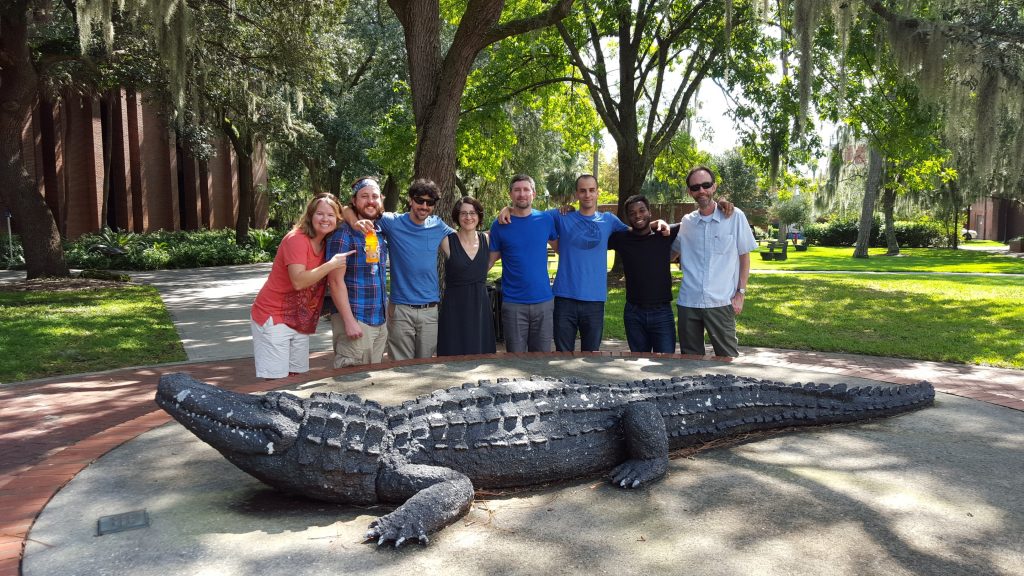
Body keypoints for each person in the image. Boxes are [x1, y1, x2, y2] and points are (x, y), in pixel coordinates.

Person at [345, 179, 454, 360]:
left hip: (430, 310)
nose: (424, 206)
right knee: (399, 367)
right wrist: (355, 223)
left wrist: (507, 214)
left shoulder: (438, 225)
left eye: (430, 202)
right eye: (419, 200)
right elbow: (347, 209)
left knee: (426, 367)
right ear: (410, 200)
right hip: (401, 309)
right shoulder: (392, 222)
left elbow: (467, 236)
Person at [250, 194, 353, 378]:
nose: (325, 219)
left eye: (330, 215)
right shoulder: (296, 239)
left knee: (295, 377)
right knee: (276, 381)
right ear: (310, 215)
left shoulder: (325, 243)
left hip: (299, 319)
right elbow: (298, 281)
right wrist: (331, 264)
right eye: (320, 214)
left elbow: (348, 210)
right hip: (274, 316)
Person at [672, 166, 757, 357]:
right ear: (689, 192)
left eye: (706, 185)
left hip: (721, 301)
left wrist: (740, 294)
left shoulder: (735, 217)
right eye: (695, 187)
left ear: (714, 187)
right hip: (689, 302)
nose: (701, 190)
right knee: (689, 362)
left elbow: (744, 257)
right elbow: (670, 253)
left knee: (727, 359)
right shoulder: (687, 222)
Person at [488, 174, 558, 353]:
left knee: (541, 360)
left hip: (543, 301)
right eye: (517, 190)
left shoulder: (546, 219)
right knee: (516, 361)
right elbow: (490, 260)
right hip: (513, 304)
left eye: (526, 189)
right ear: (510, 194)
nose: (522, 194)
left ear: (533, 194)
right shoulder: (500, 225)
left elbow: (562, 250)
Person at [325, 178, 389, 368]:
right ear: (354, 201)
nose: (370, 201)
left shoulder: (378, 230)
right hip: (356, 321)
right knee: (351, 384)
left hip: (378, 322)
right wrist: (349, 321)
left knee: (372, 384)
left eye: (375, 196)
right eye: (364, 196)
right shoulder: (343, 233)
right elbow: (335, 282)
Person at [608, 195, 679, 353]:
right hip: (634, 313)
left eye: (642, 210)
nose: (637, 215)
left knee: (666, 365)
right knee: (637, 365)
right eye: (632, 213)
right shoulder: (621, 239)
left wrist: (721, 204)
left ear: (649, 212)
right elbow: (594, 234)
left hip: (662, 312)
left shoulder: (665, 234)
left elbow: (693, 220)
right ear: (627, 217)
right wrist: (570, 210)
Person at [437, 196, 497, 356]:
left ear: (479, 216)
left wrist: (507, 209)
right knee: (452, 356)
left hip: (480, 308)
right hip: (454, 309)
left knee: (481, 358)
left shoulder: (488, 239)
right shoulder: (446, 241)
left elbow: (512, 224)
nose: (468, 217)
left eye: (472, 213)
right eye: (463, 213)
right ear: (457, 216)